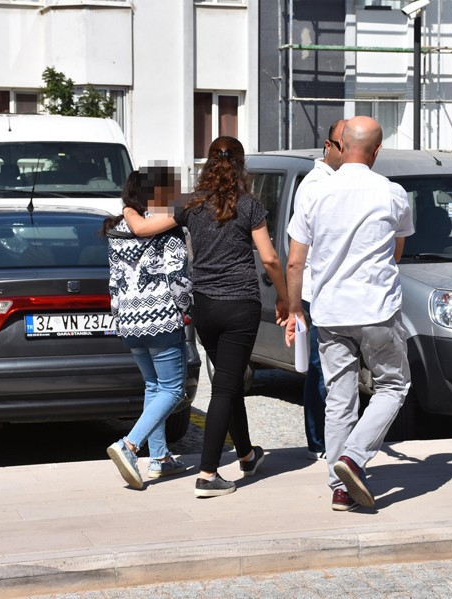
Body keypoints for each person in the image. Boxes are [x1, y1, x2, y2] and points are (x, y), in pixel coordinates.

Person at [124, 136, 289, 498]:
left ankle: (246, 455)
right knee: (227, 387)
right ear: (240, 165)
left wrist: (128, 211)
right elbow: (272, 259)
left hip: (205, 306)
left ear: (209, 164)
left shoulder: (190, 204)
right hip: (239, 306)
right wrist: (285, 298)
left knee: (229, 384)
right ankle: (208, 474)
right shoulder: (249, 206)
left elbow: (141, 229)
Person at [285, 116, 414, 511]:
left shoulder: (315, 192)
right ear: (376, 151)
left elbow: (295, 262)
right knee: (393, 385)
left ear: (341, 146)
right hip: (375, 308)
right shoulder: (392, 193)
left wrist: (294, 309)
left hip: (330, 310)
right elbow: (397, 250)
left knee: (339, 398)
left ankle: (339, 487)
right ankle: (353, 458)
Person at [103, 167, 193, 490]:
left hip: (129, 321)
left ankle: (160, 458)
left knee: (153, 387)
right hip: (161, 318)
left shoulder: (117, 229)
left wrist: (120, 317)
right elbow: (178, 276)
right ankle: (130, 446)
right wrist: (186, 309)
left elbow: (114, 281)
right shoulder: (166, 231)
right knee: (173, 390)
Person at [293, 119, 346, 461]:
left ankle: (335, 438)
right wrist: (295, 303)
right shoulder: (315, 185)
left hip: (340, 291)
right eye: (345, 145)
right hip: (318, 291)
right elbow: (297, 253)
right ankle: (319, 441)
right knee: (319, 366)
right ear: (328, 147)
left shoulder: (346, 182)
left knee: (337, 367)